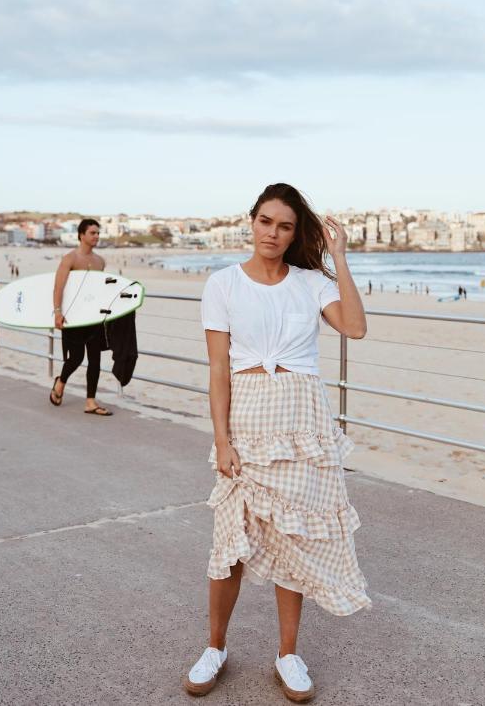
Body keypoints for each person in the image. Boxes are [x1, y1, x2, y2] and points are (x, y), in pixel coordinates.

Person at [183, 184, 371, 701]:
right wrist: (222, 441)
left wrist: (338, 256)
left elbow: (354, 327)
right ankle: (214, 647)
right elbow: (219, 368)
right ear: (252, 222)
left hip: (303, 422)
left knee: (295, 541)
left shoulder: (312, 282)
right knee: (230, 546)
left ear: (294, 233)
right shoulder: (222, 284)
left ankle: (288, 655)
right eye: (265, 221)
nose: (272, 233)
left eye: (284, 226)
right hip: (248, 418)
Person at [49, 219, 113, 417]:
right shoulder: (70, 259)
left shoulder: (100, 261)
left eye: (97, 233)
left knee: (95, 360)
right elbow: (58, 287)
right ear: (81, 235)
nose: (96, 236)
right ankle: (61, 382)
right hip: (74, 318)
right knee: (76, 357)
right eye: (92, 233)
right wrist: (58, 312)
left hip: (93, 317)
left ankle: (90, 402)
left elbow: (99, 290)